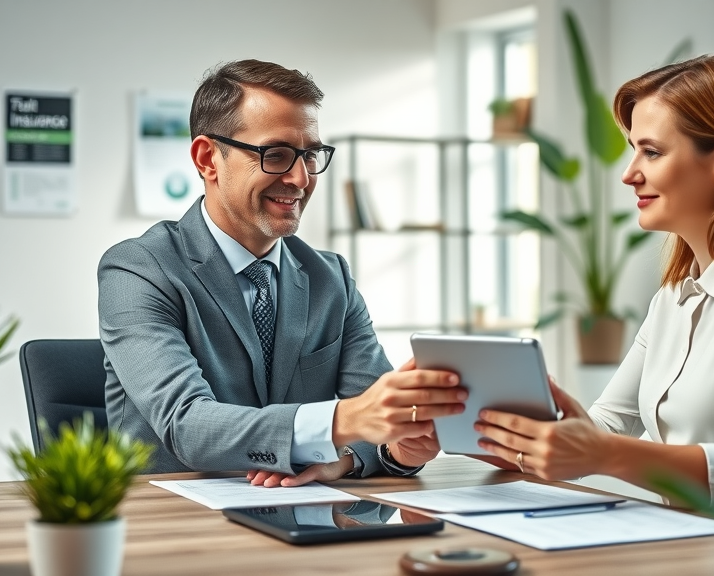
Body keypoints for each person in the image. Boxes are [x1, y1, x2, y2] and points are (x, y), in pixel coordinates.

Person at [473, 54, 714, 543]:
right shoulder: (678, 293)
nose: (629, 173)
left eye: (651, 152)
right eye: (633, 150)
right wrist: (496, 435)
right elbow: (612, 422)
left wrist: (599, 452)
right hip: (692, 545)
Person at [98, 59, 467, 485]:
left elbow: (377, 424)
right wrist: (341, 422)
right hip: (176, 523)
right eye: (275, 155)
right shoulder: (138, 269)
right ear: (207, 158)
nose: (300, 178)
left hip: (300, 515)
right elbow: (187, 425)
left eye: (310, 155)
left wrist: (380, 451)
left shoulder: (331, 278)